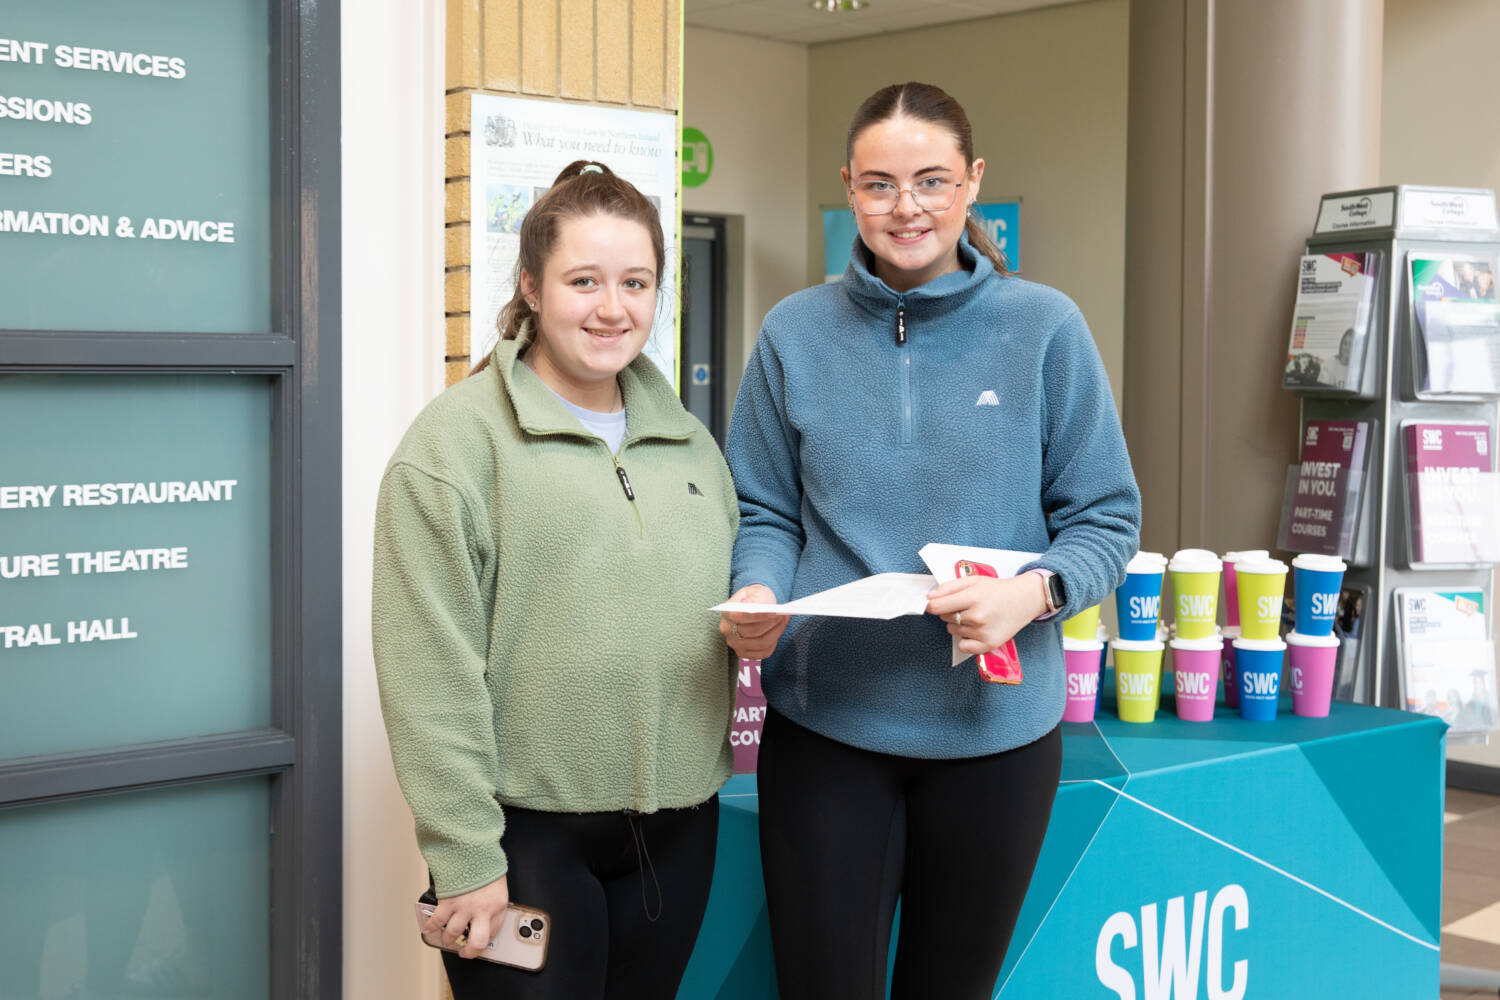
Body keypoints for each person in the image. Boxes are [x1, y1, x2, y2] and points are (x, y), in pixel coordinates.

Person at [720, 82, 1141, 1000]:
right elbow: (765, 510)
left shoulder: (1046, 329)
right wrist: (759, 590)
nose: (905, 206)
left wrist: (1031, 594)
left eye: (932, 181)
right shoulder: (793, 333)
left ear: (972, 181)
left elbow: (1106, 517)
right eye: (879, 184)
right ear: (849, 188)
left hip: (996, 739)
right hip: (827, 730)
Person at [373, 160, 738, 1000]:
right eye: (584, 281)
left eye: (635, 283)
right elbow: (428, 667)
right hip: (520, 838)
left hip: (678, 829)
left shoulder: (689, 443)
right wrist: (465, 856)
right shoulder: (455, 446)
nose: (613, 308)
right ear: (533, 287)